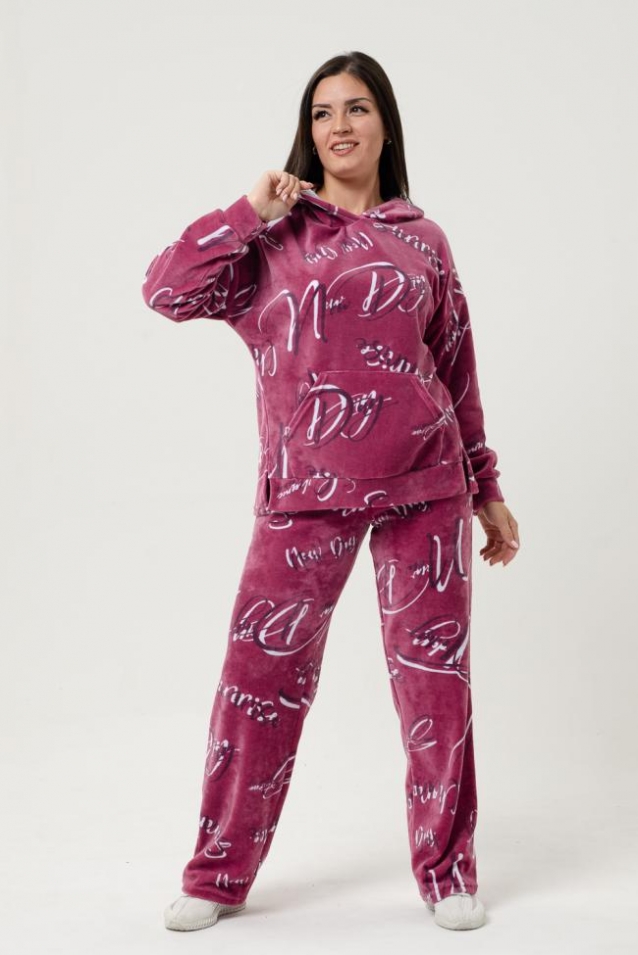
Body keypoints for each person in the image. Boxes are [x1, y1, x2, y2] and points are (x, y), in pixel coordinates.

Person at [141, 50, 520, 934]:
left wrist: (486, 485)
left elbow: (455, 367)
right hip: (305, 493)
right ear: (306, 135)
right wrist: (249, 211)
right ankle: (219, 870)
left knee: (435, 689)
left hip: (427, 488)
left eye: (356, 108)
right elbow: (165, 289)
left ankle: (448, 869)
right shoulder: (274, 239)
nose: (338, 126)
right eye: (321, 114)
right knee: (258, 682)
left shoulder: (424, 239)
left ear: (385, 124)